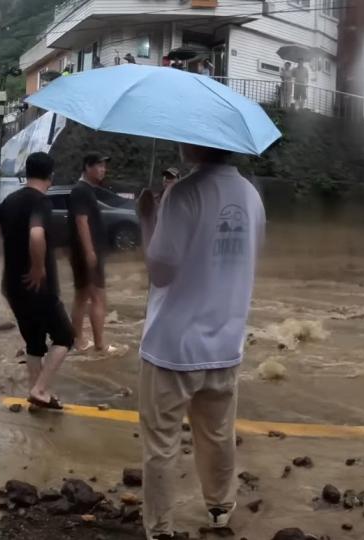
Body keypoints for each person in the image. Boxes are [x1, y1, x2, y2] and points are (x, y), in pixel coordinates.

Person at [135, 143, 266, 539]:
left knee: (161, 442)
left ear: (195, 144)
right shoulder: (251, 195)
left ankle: (160, 528)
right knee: (218, 434)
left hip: (172, 347)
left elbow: (160, 271)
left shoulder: (183, 194)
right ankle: (220, 509)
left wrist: (146, 220)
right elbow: (248, 256)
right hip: (226, 341)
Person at [0, 152, 73, 409]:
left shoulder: (12, 199)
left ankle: (37, 397)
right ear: (50, 175)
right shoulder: (40, 202)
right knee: (65, 337)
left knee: (34, 342)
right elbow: (36, 235)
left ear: (27, 172)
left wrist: (7, 246)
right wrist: (37, 267)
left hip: (11, 285)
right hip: (37, 285)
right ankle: (40, 388)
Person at [68, 153, 115, 354]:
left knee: (82, 296)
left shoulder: (85, 190)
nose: (103, 170)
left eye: (104, 166)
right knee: (98, 298)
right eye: (99, 166)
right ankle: (99, 345)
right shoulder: (82, 191)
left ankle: (78, 341)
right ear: (87, 167)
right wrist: (89, 251)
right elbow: (81, 221)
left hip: (83, 252)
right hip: (87, 252)